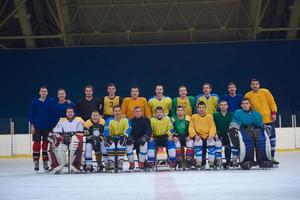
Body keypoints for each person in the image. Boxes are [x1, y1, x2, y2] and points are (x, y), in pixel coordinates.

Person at [228, 98, 272, 169]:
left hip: (256, 130)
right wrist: (234, 130)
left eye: (246, 103)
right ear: (241, 105)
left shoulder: (256, 114)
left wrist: (264, 126)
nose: (245, 105)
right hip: (244, 130)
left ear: (250, 104)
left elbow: (260, 123)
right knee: (247, 143)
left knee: (261, 142)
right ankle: (247, 161)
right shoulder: (238, 113)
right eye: (243, 103)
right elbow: (234, 123)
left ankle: (263, 160)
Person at [244, 79, 278, 164]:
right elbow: (247, 108)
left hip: (268, 120)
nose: (255, 85)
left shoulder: (265, 91)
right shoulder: (248, 95)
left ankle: (272, 157)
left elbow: (272, 102)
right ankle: (261, 159)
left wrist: (273, 113)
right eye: (253, 84)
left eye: (256, 84)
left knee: (272, 139)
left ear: (259, 85)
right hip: (257, 122)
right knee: (259, 141)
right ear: (250, 86)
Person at [48, 107, 85, 173]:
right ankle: (59, 165)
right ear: (66, 113)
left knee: (77, 141)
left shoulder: (79, 120)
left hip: (74, 138)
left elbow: (82, 132)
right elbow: (56, 132)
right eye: (68, 112)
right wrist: (60, 137)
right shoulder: (62, 120)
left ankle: (75, 166)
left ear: (74, 113)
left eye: (71, 112)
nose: (70, 113)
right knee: (53, 143)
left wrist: (73, 136)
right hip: (64, 139)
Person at [187, 101, 220, 170]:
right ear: (197, 109)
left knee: (212, 142)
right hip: (198, 136)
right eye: (200, 108)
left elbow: (212, 127)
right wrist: (195, 135)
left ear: (205, 108)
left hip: (208, 136)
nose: (201, 109)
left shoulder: (209, 116)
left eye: (203, 108)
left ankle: (212, 163)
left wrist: (211, 135)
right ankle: (199, 163)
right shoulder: (194, 117)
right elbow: (191, 127)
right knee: (198, 143)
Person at [29, 86, 55, 171]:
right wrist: (32, 125)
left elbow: (55, 110)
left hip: (47, 127)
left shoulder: (51, 101)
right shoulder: (34, 102)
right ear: (39, 93)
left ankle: (45, 162)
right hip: (37, 127)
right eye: (42, 91)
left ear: (47, 93)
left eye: (45, 91)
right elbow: (31, 114)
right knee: (36, 144)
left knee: (45, 145)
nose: (43, 93)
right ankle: (36, 162)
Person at [104, 105, 132, 172]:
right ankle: (111, 163)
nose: (117, 112)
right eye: (115, 111)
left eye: (119, 111)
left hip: (121, 137)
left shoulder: (126, 120)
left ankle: (120, 163)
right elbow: (106, 130)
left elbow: (128, 129)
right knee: (111, 144)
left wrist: (125, 135)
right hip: (112, 137)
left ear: (121, 111)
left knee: (121, 143)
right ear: (113, 112)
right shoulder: (109, 120)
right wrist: (108, 137)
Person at [127, 106, 152, 170]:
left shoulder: (146, 120)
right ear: (134, 113)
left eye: (139, 111)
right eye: (136, 111)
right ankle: (131, 163)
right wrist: (129, 137)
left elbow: (149, 131)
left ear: (141, 112)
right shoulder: (130, 121)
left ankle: (141, 163)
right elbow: (128, 131)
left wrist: (145, 137)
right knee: (128, 145)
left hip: (142, 139)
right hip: (133, 140)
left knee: (144, 143)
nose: (138, 113)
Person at [213, 100, 233, 169]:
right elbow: (213, 126)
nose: (223, 106)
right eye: (222, 105)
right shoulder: (215, 115)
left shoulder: (231, 115)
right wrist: (215, 133)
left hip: (229, 135)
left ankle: (227, 162)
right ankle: (218, 161)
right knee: (217, 146)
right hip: (219, 135)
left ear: (227, 106)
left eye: (225, 105)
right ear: (219, 106)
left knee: (228, 147)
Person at [172, 106, 190, 170]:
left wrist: (190, 136)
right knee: (176, 143)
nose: (180, 112)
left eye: (181, 110)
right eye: (178, 110)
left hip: (186, 136)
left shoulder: (188, 119)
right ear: (176, 112)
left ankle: (189, 162)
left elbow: (191, 128)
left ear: (184, 112)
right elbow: (171, 130)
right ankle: (179, 162)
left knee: (190, 143)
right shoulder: (173, 119)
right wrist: (173, 136)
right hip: (177, 137)